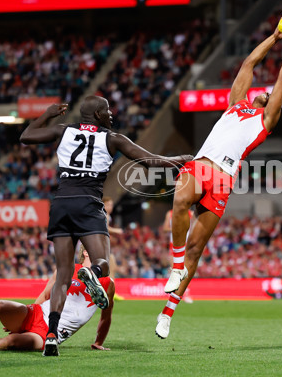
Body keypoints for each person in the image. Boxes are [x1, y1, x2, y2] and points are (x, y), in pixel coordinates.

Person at [155, 22, 282, 339]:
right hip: (202, 165)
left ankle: (167, 313)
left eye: (270, 95)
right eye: (263, 91)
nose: (266, 91)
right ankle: (174, 267)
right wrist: (275, 37)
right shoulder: (235, 103)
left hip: (224, 179)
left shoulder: (266, 121)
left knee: (196, 251)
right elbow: (249, 64)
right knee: (180, 199)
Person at [19, 95, 192, 354]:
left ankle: (52, 336)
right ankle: (93, 275)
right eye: (108, 111)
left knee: (62, 277)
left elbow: (27, 136)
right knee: (102, 262)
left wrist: (47, 114)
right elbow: (150, 161)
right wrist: (184, 158)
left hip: (62, 203)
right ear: (98, 114)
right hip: (88, 203)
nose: (111, 115)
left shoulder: (64, 130)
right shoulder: (113, 138)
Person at [0, 247, 114, 352]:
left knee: (7, 343)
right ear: (86, 252)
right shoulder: (67, 268)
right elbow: (45, 294)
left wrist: (98, 342)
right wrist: (23, 317)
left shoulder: (108, 283)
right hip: (37, 314)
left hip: (49, 334)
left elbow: (106, 316)